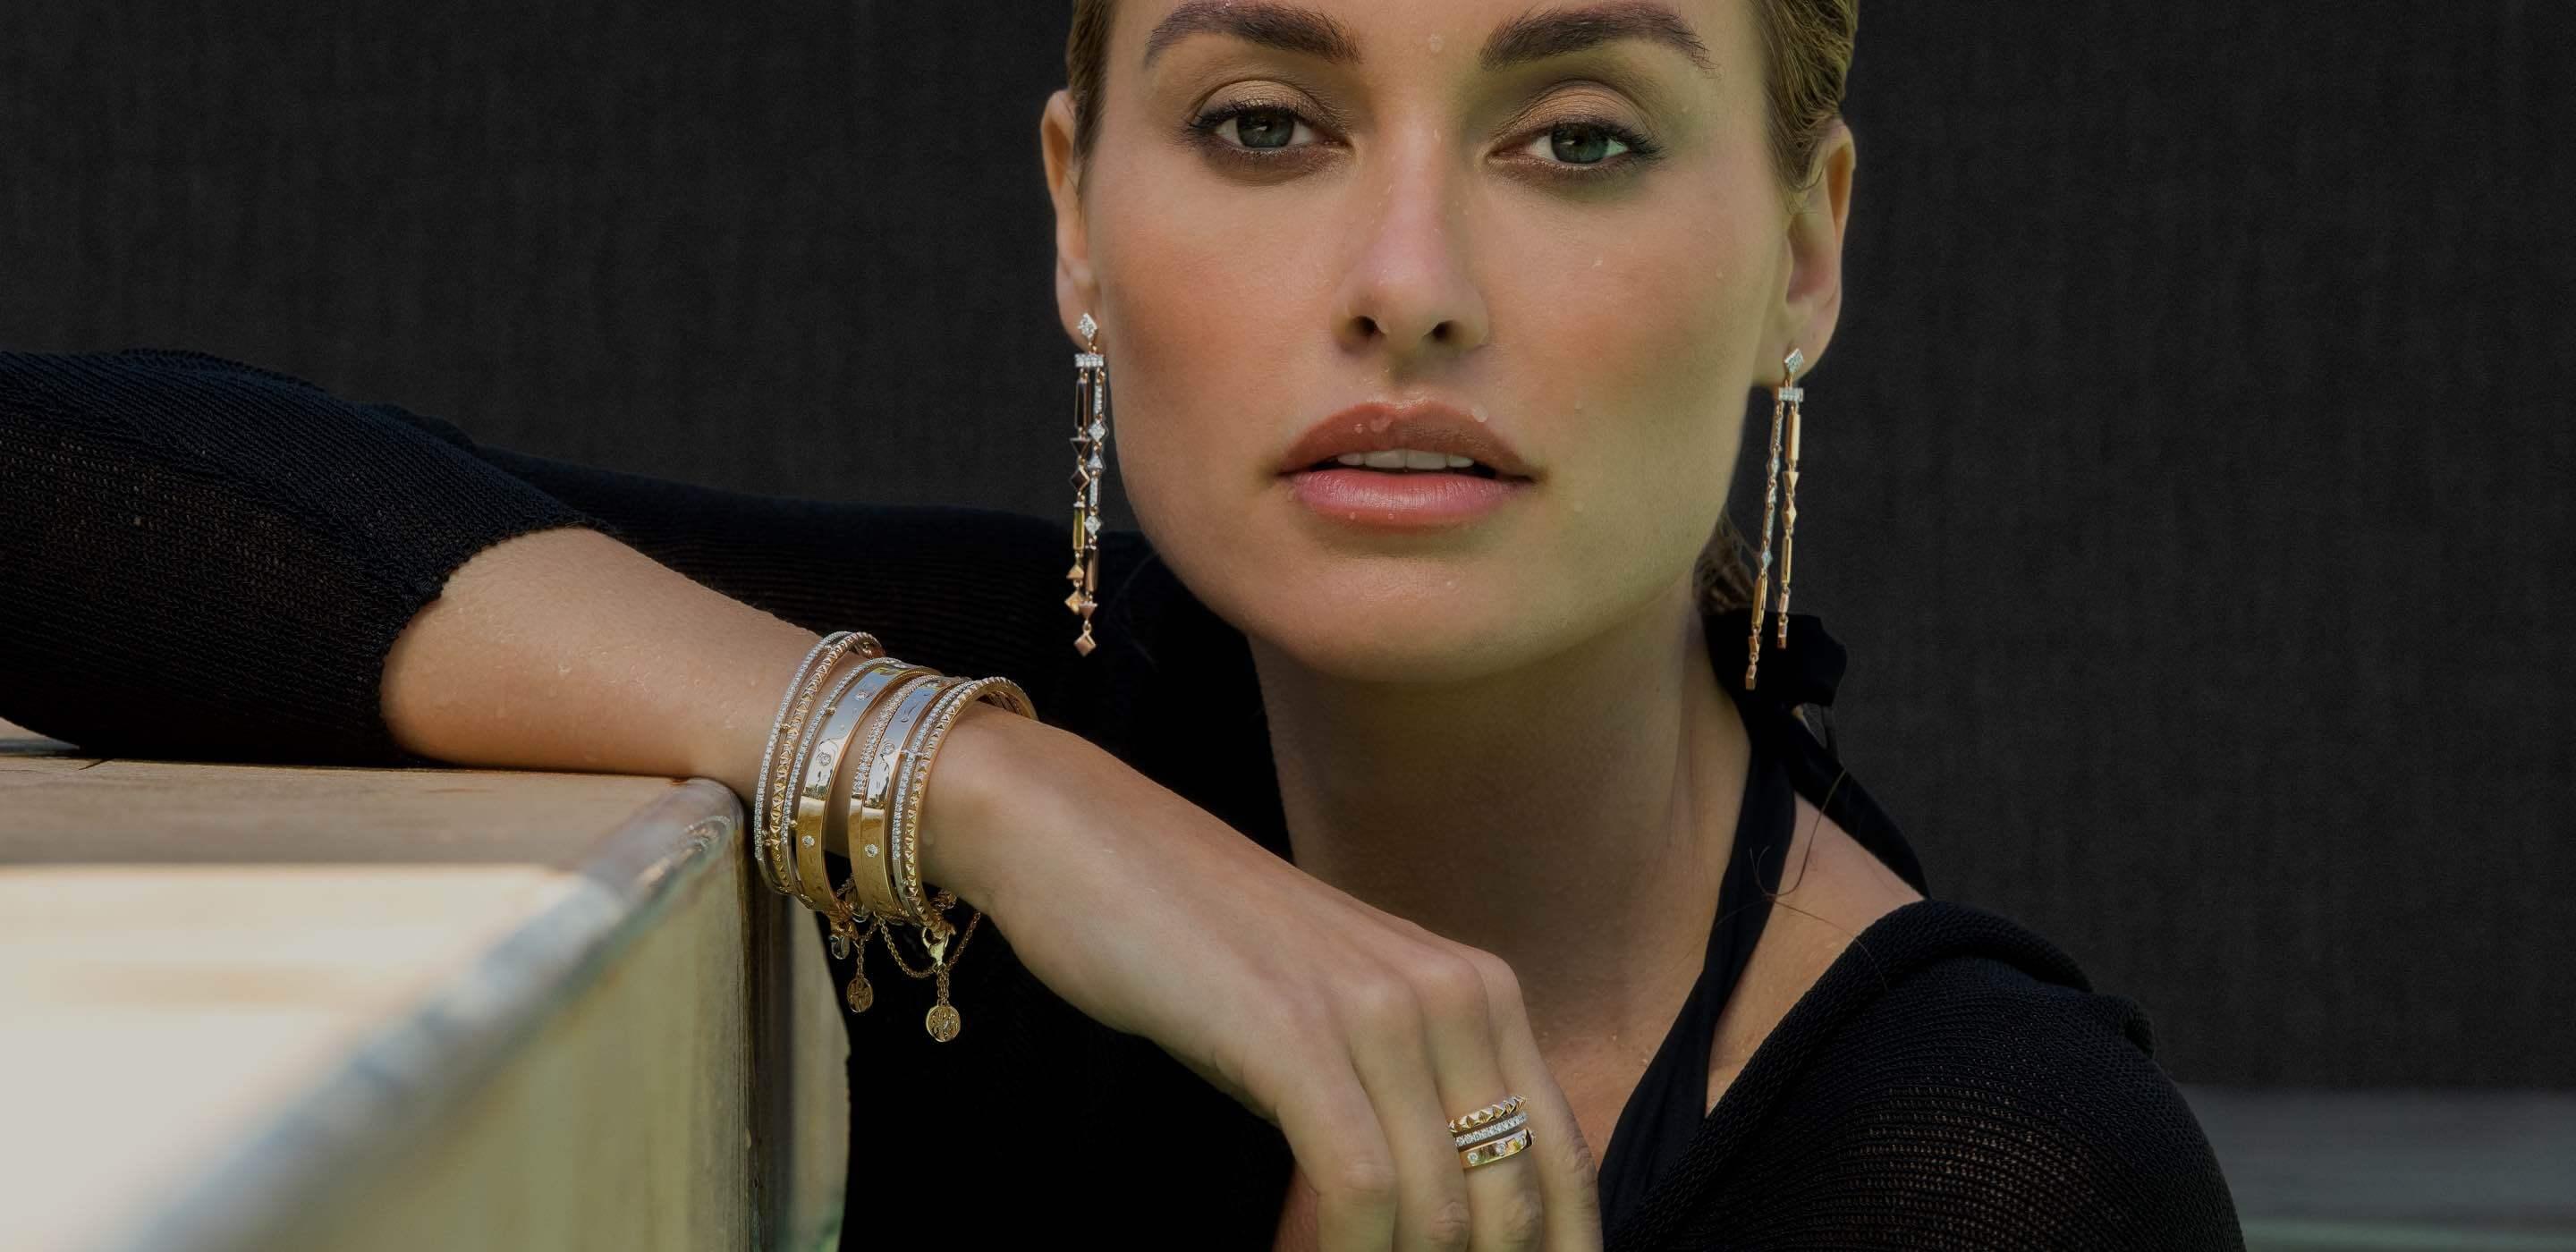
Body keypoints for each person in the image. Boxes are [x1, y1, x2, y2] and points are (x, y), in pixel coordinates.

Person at [0, 1, 2245, 1248]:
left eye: (1575, 139)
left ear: (1802, 258)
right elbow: (74, 480)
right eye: (1266, 124)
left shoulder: (1991, 1172)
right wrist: (997, 790)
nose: (1407, 278)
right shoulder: (1030, 731)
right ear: (1079, 220)